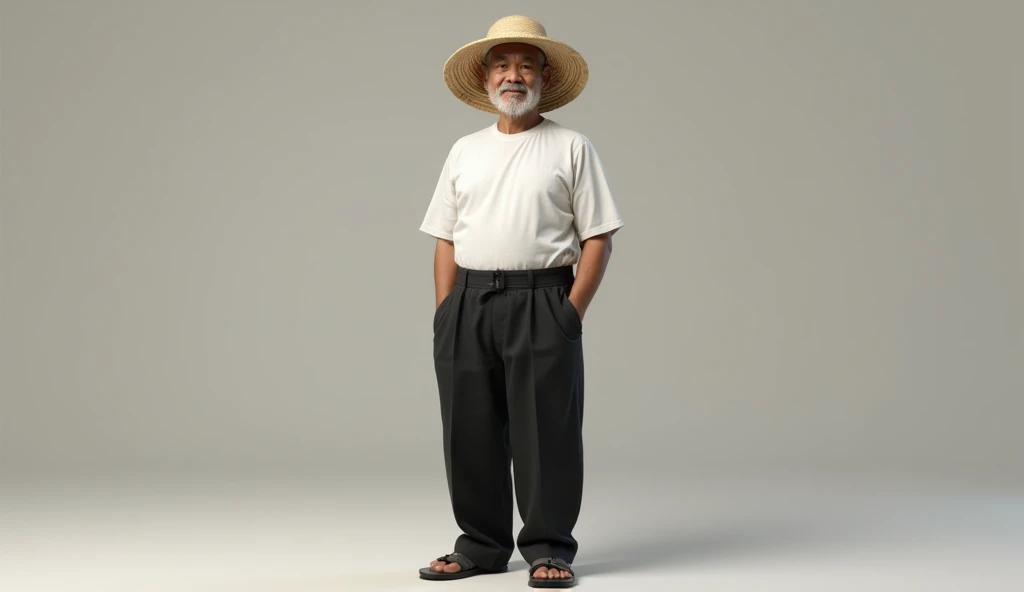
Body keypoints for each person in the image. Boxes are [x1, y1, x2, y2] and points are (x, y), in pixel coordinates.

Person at [417, 15, 623, 589]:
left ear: (543, 75)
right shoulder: (464, 151)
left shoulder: (571, 146)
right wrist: (445, 311)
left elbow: (599, 235)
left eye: (525, 65)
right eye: (502, 65)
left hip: (543, 301)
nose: (513, 76)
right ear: (486, 78)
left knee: (545, 433)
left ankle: (549, 547)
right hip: (469, 301)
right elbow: (445, 235)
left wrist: (570, 312)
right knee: (469, 429)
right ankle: (480, 546)